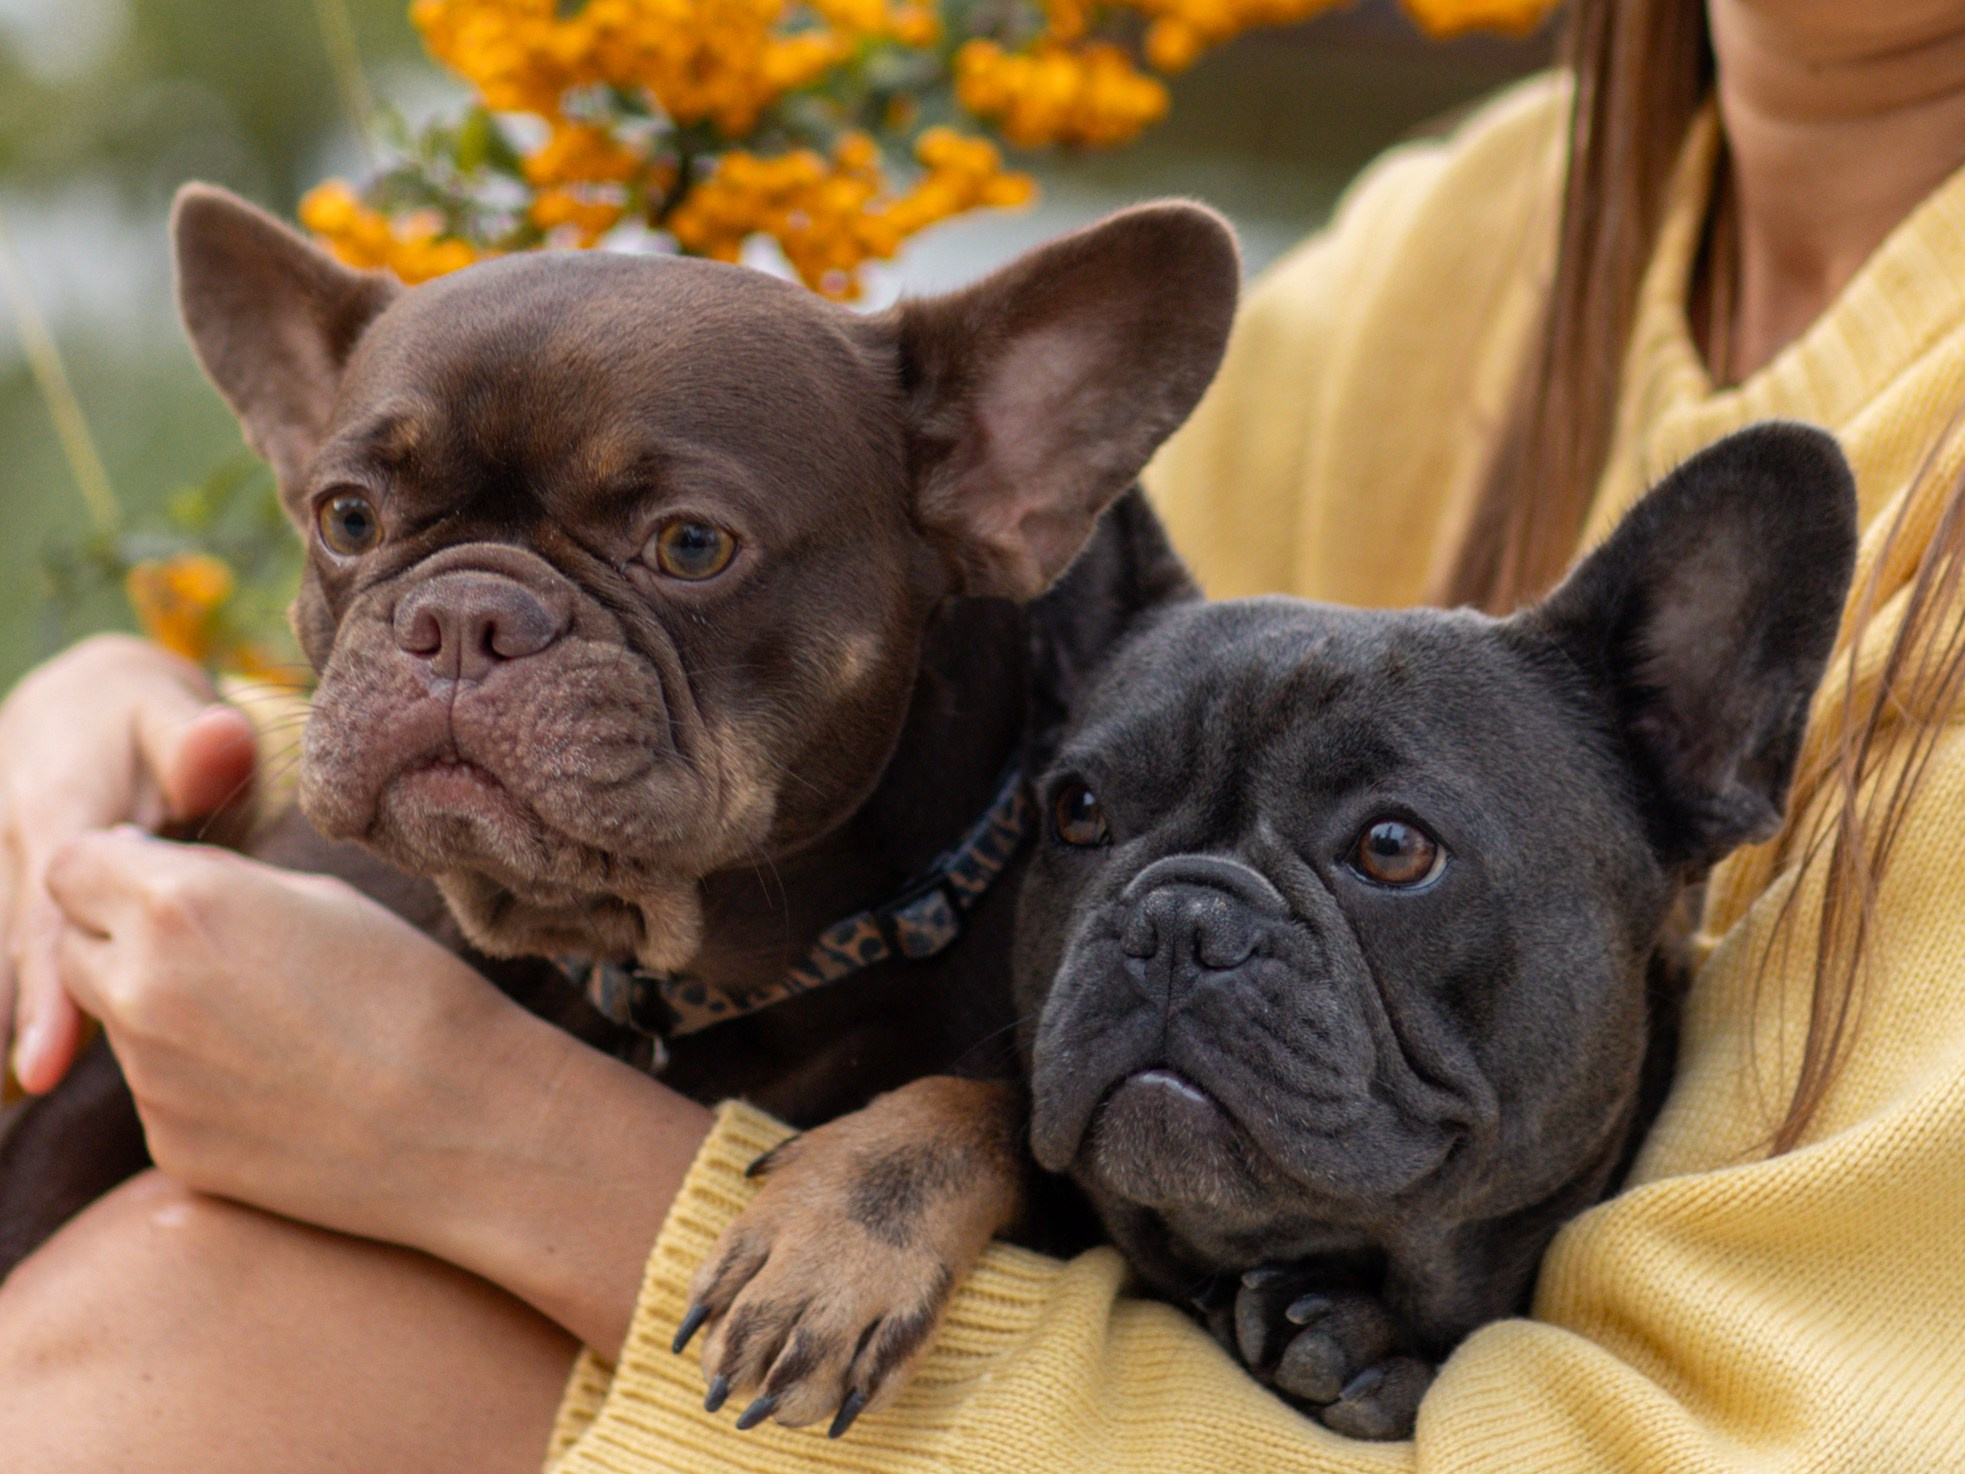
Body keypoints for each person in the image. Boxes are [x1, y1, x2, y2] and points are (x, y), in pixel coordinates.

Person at [5, 0, 1965, 1468]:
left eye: (675, 532)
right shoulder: (1471, 244)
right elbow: (853, 681)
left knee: (186, 1324)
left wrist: (499, 1145)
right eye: (355, 525)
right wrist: (161, 727)